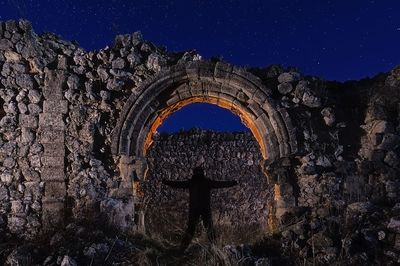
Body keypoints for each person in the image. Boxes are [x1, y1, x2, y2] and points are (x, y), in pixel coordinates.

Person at [162, 166, 238, 251]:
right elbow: (220, 184)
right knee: (209, 228)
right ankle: (216, 248)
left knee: (191, 229)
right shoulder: (207, 182)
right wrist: (232, 183)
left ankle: (182, 248)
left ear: (194, 173)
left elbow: (178, 184)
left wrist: (166, 182)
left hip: (194, 209)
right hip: (205, 209)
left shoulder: (191, 182)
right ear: (203, 173)